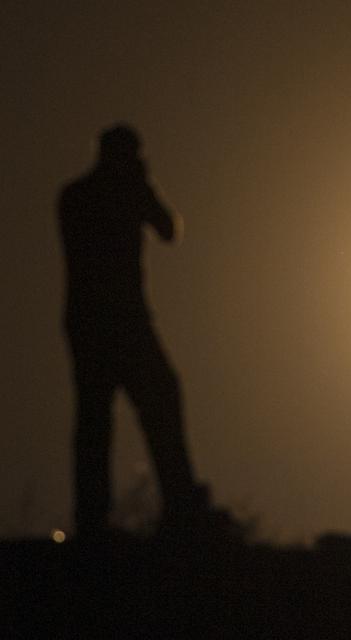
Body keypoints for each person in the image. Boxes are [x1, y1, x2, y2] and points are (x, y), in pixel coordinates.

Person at [59, 124, 215, 537]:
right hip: (119, 320)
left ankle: (95, 518)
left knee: (97, 418)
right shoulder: (118, 193)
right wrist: (145, 186)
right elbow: (169, 230)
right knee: (152, 403)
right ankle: (178, 506)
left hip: (92, 321)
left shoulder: (74, 196)